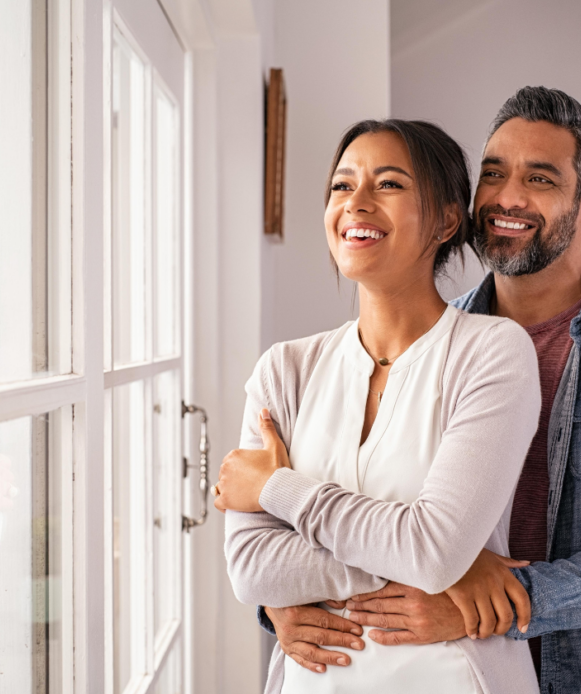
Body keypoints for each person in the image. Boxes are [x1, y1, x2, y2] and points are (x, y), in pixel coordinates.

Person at [266, 87, 581, 693]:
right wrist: (280, 601)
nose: (508, 198)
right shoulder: (429, 340)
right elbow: (366, 506)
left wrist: (500, 601)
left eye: (539, 178)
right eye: (492, 174)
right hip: (440, 670)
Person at [214, 119, 544, 694]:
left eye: (388, 185)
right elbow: (251, 568)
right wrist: (438, 562)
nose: (356, 204)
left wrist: (276, 489)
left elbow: (434, 548)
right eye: (342, 187)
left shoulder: (493, 353)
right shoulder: (283, 370)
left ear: (444, 220)